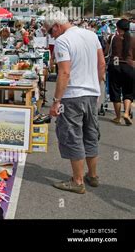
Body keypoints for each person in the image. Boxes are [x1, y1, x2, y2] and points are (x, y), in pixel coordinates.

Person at [45, 12, 105, 194]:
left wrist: (56, 101)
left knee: (73, 136)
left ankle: (78, 180)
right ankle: (92, 175)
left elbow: (64, 72)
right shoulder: (91, 35)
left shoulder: (63, 41)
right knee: (90, 134)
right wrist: (97, 87)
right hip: (91, 94)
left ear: (56, 26)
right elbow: (101, 64)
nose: (51, 35)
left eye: (50, 31)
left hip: (72, 95)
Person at [105, 19, 135, 125]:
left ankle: (118, 117)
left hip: (115, 66)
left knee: (115, 91)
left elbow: (106, 52)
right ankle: (126, 113)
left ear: (117, 28)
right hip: (128, 67)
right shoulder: (133, 39)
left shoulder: (112, 38)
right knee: (128, 92)